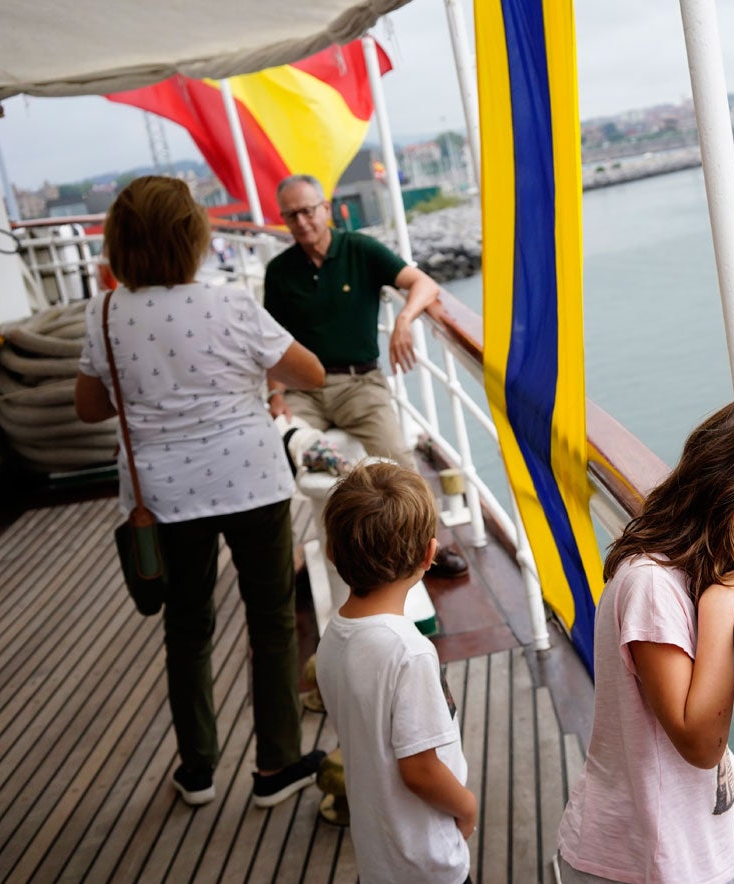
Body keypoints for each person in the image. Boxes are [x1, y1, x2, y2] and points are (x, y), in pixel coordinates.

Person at [75, 176, 327, 807]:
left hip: (162, 497)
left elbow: (88, 407)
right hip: (250, 479)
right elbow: (312, 373)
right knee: (270, 622)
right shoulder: (231, 305)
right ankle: (276, 767)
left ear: (120, 242)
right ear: (193, 236)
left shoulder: (105, 312)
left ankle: (197, 770)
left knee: (187, 628)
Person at [556, 395, 734, 884]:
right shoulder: (653, 586)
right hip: (637, 865)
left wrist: (722, 815)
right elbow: (698, 743)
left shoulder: (690, 568)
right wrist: (720, 609)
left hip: (683, 845)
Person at [263, 173, 468, 578]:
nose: (301, 222)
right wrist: (275, 395)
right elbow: (272, 343)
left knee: (399, 459)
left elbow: (423, 284)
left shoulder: (359, 249)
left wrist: (404, 320)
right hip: (304, 389)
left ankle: (431, 542)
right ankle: (302, 559)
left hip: (360, 383)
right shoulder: (280, 271)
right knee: (274, 457)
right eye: (291, 216)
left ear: (325, 208)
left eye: (307, 211)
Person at [316, 461, 476, 883]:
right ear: (430, 554)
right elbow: (420, 771)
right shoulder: (408, 652)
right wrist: (467, 807)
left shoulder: (334, 637)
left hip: (379, 853)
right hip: (426, 859)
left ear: (331, 551)